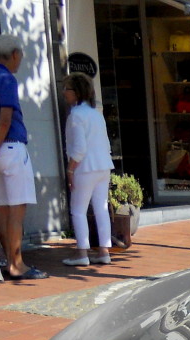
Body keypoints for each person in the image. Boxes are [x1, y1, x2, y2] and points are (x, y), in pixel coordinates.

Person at [0, 33, 45, 280]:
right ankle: (17, 264)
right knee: (16, 211)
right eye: (21, 55)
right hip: (11, 148)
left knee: (2, 210)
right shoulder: (6, 79)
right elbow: (6, 118)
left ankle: (7, 261)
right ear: (14, 54)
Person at [61, 72, 114, 266]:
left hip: (85, 167)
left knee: (78, 210)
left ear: (76, 92)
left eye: (67, 89)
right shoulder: (96, 114)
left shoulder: (76, 115)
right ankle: (104, 251)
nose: (64, 92)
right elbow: (106, 143)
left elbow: (79, 148)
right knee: (101, 208)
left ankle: (82, 253)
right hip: (103, 165)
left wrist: (70, 169)